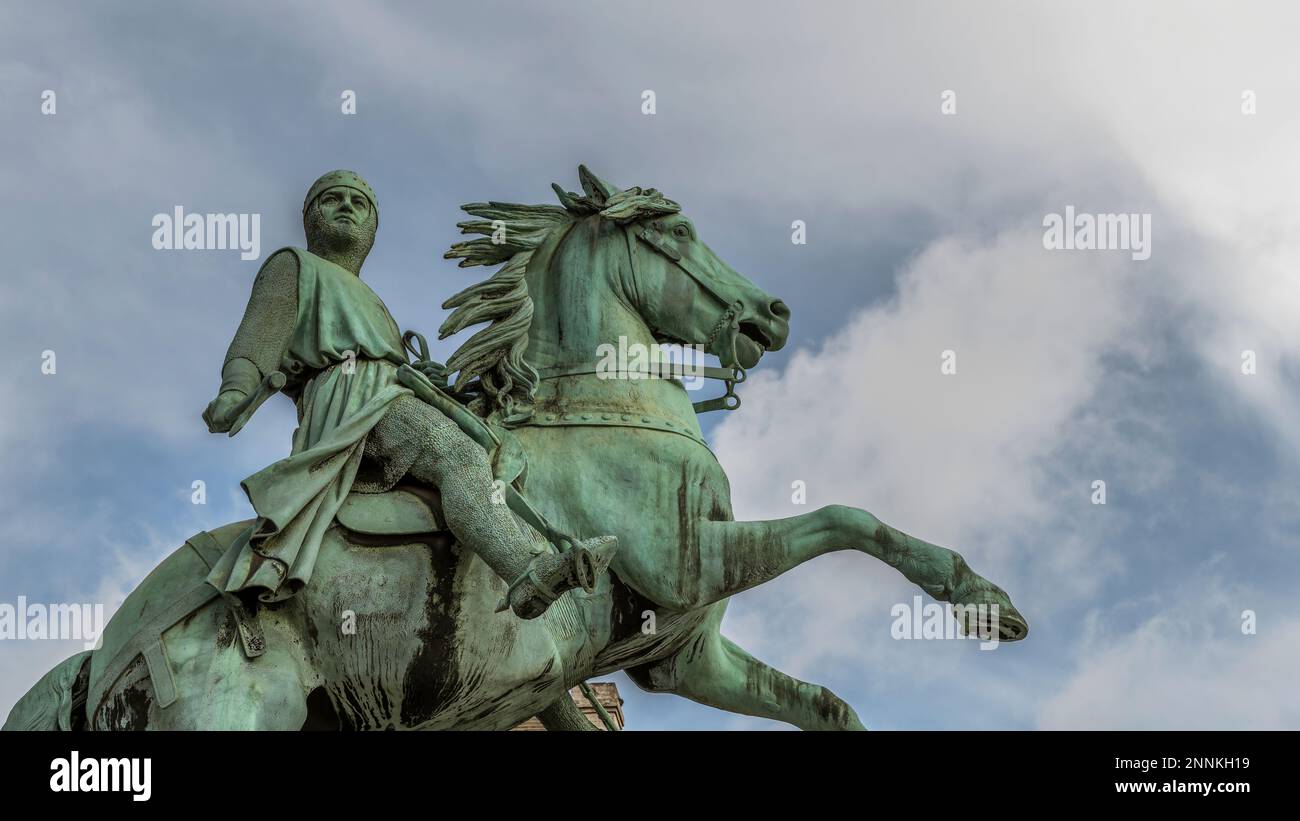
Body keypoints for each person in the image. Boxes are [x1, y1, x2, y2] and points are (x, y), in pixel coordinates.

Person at [201, 170, 615, 618]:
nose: (346, 207)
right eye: (332, 200)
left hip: (392, 390)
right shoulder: (295, 266)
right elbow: (255, 343)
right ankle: (526, 574)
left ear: (372, 230)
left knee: (494, 445)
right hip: (353, 398)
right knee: (452, 450)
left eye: (359, 204)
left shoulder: (375, 301)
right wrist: (235, 390)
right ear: (309, 219)